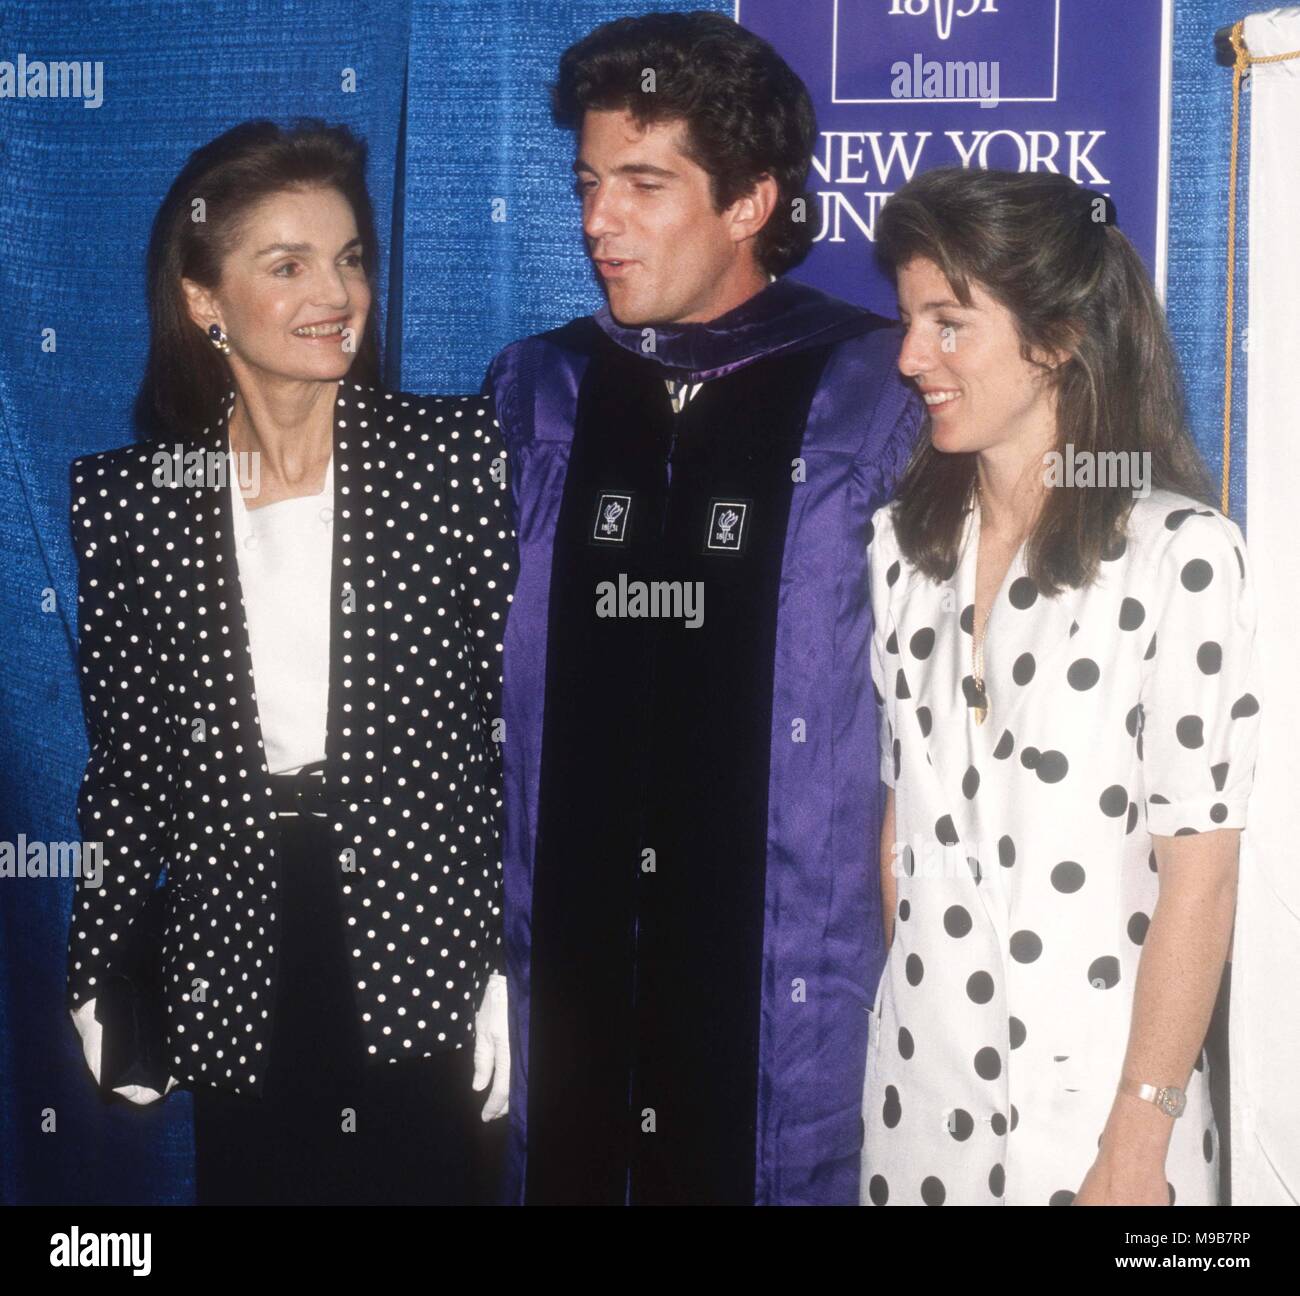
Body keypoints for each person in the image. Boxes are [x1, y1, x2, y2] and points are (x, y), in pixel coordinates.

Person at [484, 11, 923, 1205]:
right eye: (586, 183)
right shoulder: (543, 389)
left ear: (748, 203)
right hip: (565, 960)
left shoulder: (874, 392)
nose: (595, 221)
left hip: (787, 974)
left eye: (640, 183)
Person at [65, 119, 515, 1205]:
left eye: (351, 258)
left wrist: (525, 965)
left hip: (431, 944)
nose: (337, 292)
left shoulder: (459, 461)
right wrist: (96, 962)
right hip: (235, 952)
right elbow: (127, 768)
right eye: (289, 264)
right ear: (203, 302)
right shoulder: (132, 503)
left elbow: (527, 734)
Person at [861, 166, 1261, 1206]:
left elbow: (1200, 877)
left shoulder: (1182, 557)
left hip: (1107, 1128)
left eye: (949, 325)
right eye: (908, 322)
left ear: (1058, 339)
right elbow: (902, 827)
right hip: (916, 1111)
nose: (910, 358)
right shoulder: (901, 552)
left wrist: (1138, 1139)